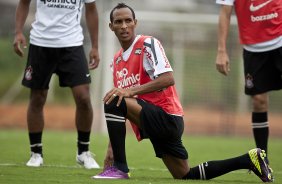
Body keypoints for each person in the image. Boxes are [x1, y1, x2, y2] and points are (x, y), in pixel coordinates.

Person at [91, 3, 274, 182]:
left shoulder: (147, 44)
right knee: (186, 175)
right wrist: (111, 149)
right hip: (151, 123)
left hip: (166, 117)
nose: (124, 26)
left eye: (128, 21)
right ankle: (249, 159)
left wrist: (129, 91)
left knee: (112, 98)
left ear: (135, 23)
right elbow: (120, 108)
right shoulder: (116, 61)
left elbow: (168, 78)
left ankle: (120, 168)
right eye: (118, 22)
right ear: (111, 26)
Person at [13, 0, 100, 169]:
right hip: (41, 43)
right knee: (37, 98)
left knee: (83, 97)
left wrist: (95, 46)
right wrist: (17, 32)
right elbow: (24, 3)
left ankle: (83, 152)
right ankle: (36, 153)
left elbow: (91, 10)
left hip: (72, 44)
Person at [215, 0, 282, 164]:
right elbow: (225, 13)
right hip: (254, 49)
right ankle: (262, 162)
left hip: (280, 39)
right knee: (259, 101)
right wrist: (221, 51)